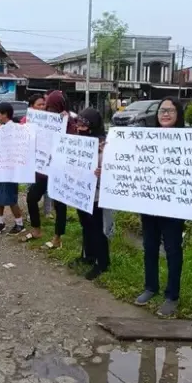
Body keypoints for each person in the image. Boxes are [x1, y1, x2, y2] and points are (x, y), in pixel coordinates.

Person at [134, 96, 192, 316]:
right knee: (149, 246)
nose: (165, 114)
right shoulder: (148, 137)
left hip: (175, 207)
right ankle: (150, 287)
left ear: (178, 115)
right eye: (161, 110)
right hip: (149, 203)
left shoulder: (189, 140)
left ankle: (171, 296)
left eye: (170, 111)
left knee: (173, 250)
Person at [25, 90, 76, 249]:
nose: (51, 112)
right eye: (49, 108)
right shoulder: (44, 119)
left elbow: (74, 144)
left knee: (59, 206)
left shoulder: (70, 124)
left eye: (54, 108)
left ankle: (57, 237)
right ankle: (36, 229)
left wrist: (65, 123)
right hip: (43, 170)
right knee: (31, 198)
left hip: (59, 172)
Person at [72, 107, 109, 280]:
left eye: (84, 124)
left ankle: (102, 262)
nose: (79, 127)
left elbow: (112, 170)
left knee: (97, 228)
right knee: (85, 225)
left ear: (92, 125)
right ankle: (88, 255)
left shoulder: (104, 145)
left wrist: (103, 171)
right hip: (82, 192)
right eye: (78, 123)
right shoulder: (79, 140)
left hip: (98, 195)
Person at [0, 102, 26, 236]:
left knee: (10, 197)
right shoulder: (0, 128)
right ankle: (0, 222)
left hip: (10, 169)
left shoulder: (16, 129)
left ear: (5, 115)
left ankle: (19, 223)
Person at [21, 94, 53, 218]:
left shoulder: (51, 120)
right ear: (31, 106)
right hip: (31, 159)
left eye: (43, 104)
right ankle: (31, 212)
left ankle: (47, 211)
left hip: (47, 158)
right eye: (38, 104)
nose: (41, 107)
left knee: (48, 185)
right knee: (31, 185)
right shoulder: (25, 120)